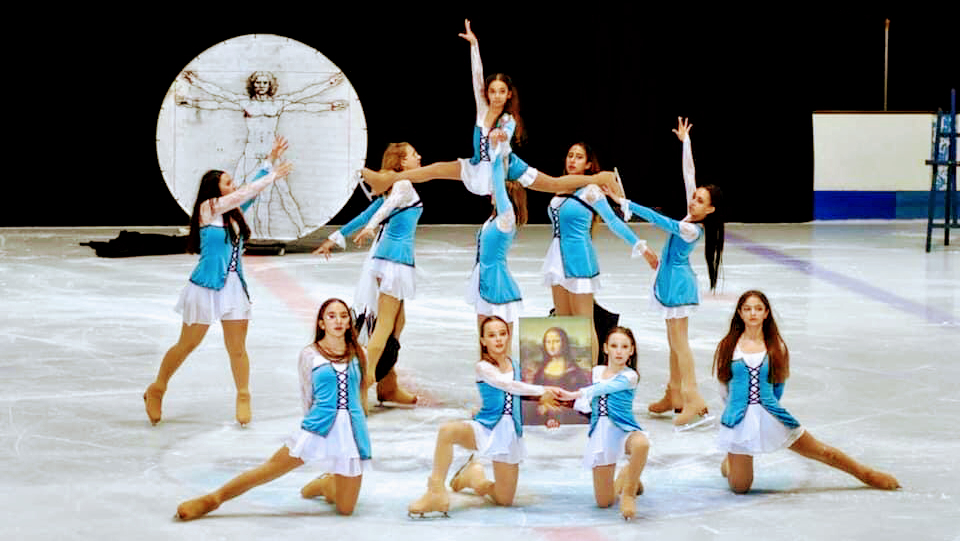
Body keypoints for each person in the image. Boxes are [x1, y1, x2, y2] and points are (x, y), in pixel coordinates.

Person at [358, 20, 623, 199]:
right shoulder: (482, 108)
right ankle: (385, 180)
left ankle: (602, 177)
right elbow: (476, 76)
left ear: (508, 95)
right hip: (477, 166)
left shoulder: (508, 119)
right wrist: (474, 46)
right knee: (434, 168)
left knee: (554, 184)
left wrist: (500, 138)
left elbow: (504, 137)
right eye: (492, 91)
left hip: (505, 168)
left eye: (501, 91)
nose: (495, 95)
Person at [175, 298, 371, 519]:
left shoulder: (360, 353)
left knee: (346, 509)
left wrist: (360, 430)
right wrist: (308, 429)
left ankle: (327, 484)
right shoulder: (310, 354)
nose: (338, 320)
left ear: (349, 323)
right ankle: (212, 500)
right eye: (331, 316)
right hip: (318, 425)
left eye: (343, 316)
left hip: (351, 433)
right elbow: (307, 395)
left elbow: (361, 393)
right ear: (321, 323)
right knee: (269, 469)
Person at [143, 136, 292, 426]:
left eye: (232, 181)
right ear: (214, 189)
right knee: (187, 344)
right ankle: (157, 388)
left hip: (235, 288)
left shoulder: (234, 214)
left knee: (237, 348)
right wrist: (272, 176)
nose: (232, 185)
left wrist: (269, 161)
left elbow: (247, 195)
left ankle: (243, 395)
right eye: (227, 182)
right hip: (205, 288)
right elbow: (240, 195)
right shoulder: (208, 208)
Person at [712, 290, 900, 493]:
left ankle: (866, 474)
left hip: (771, 414)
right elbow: (724, 386)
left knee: (824, 452)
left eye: (758, 308)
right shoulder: (729, 346)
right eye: (747, 309)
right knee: (740, 488)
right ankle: (730, 461)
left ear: (766, 313)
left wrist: (767, 410)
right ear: (739, 312)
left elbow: (778, 386)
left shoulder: (776, 346)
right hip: (738, 420)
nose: (753, 313)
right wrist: (738, 412)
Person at [604, 117, 723, 427]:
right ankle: (674, 393)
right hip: (670, 282)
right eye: (695, 197)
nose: (694, 200)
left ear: (710, 210)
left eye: (701, 201)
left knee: (680, 343)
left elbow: (662, 223)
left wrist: (627, 203)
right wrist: (686, 144)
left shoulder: (691, 229)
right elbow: (689, 174)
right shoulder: (691, 213)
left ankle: (693, 397)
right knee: (673, 342)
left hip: (679, 286)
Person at [407, 316, 563, 516]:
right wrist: (543, 389)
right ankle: (435, 492)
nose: (498, 339)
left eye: (502, 334)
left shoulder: (517, 366)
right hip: (486, 427)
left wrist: (549, 413)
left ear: (508, 336)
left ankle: (473, 477)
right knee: (447, 431)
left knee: (504, 499)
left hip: (509, 432)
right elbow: (508, 385)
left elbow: (525, 397)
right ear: (483, 341)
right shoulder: (483, 367)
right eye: (492, 335)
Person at [314, 143, 423, 410]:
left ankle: (388, 385)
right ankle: (365, 383)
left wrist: (335, 236)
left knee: (396, 323)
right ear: (400, 163)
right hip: (395, 262)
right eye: (412, 154)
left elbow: (367, 213)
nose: (419, 156)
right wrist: (371, 228)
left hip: (389, 260)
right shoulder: (404, 186)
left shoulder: (393, 187)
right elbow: (380, 213)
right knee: (384, 327)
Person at [178, 70, 346, 238]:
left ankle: (298, 227)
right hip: (250, 154)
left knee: (282, 194)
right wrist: (192, 94)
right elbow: (219, 98)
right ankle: (229, 227)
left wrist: (329, 92)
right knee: (236, 192)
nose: (261, 86)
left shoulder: (278, 104)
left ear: (270, 85)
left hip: (270, 154)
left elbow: (303, 100)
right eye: (258, 82)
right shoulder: (245, 103)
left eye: (265, 83)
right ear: (253, 84)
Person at [562, 326, 650, 520]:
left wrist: (576, 393)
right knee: (604, 502)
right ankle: (627, 475)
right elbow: (584, 404)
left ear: (631, 350)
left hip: (624, 429)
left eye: (624, 346)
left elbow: (604, 388)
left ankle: (628, 492)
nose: (619, 351)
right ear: (605, 348)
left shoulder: (630, 376)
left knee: (642, 444)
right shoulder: (595, 372)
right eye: (614, 346)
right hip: (601, 433)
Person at [466, 142, 528, 334]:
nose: (492, 191)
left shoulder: (506, 219)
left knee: (499, 335)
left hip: (497, 280)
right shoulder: (493, 220)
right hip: (483, 278)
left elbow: (499, 186)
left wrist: (497, 154)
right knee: (484, 335)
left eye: (496, 190)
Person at [525, 326, 591, 426]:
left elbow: (581, 400)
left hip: (569, 417)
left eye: (556, 341)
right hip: (541, 417)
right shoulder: (540, 370)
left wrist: (556, 407)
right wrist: (543, 401)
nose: (552, 346)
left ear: (564, 343)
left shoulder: (575, 372)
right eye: (548, 342)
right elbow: (534, 395)